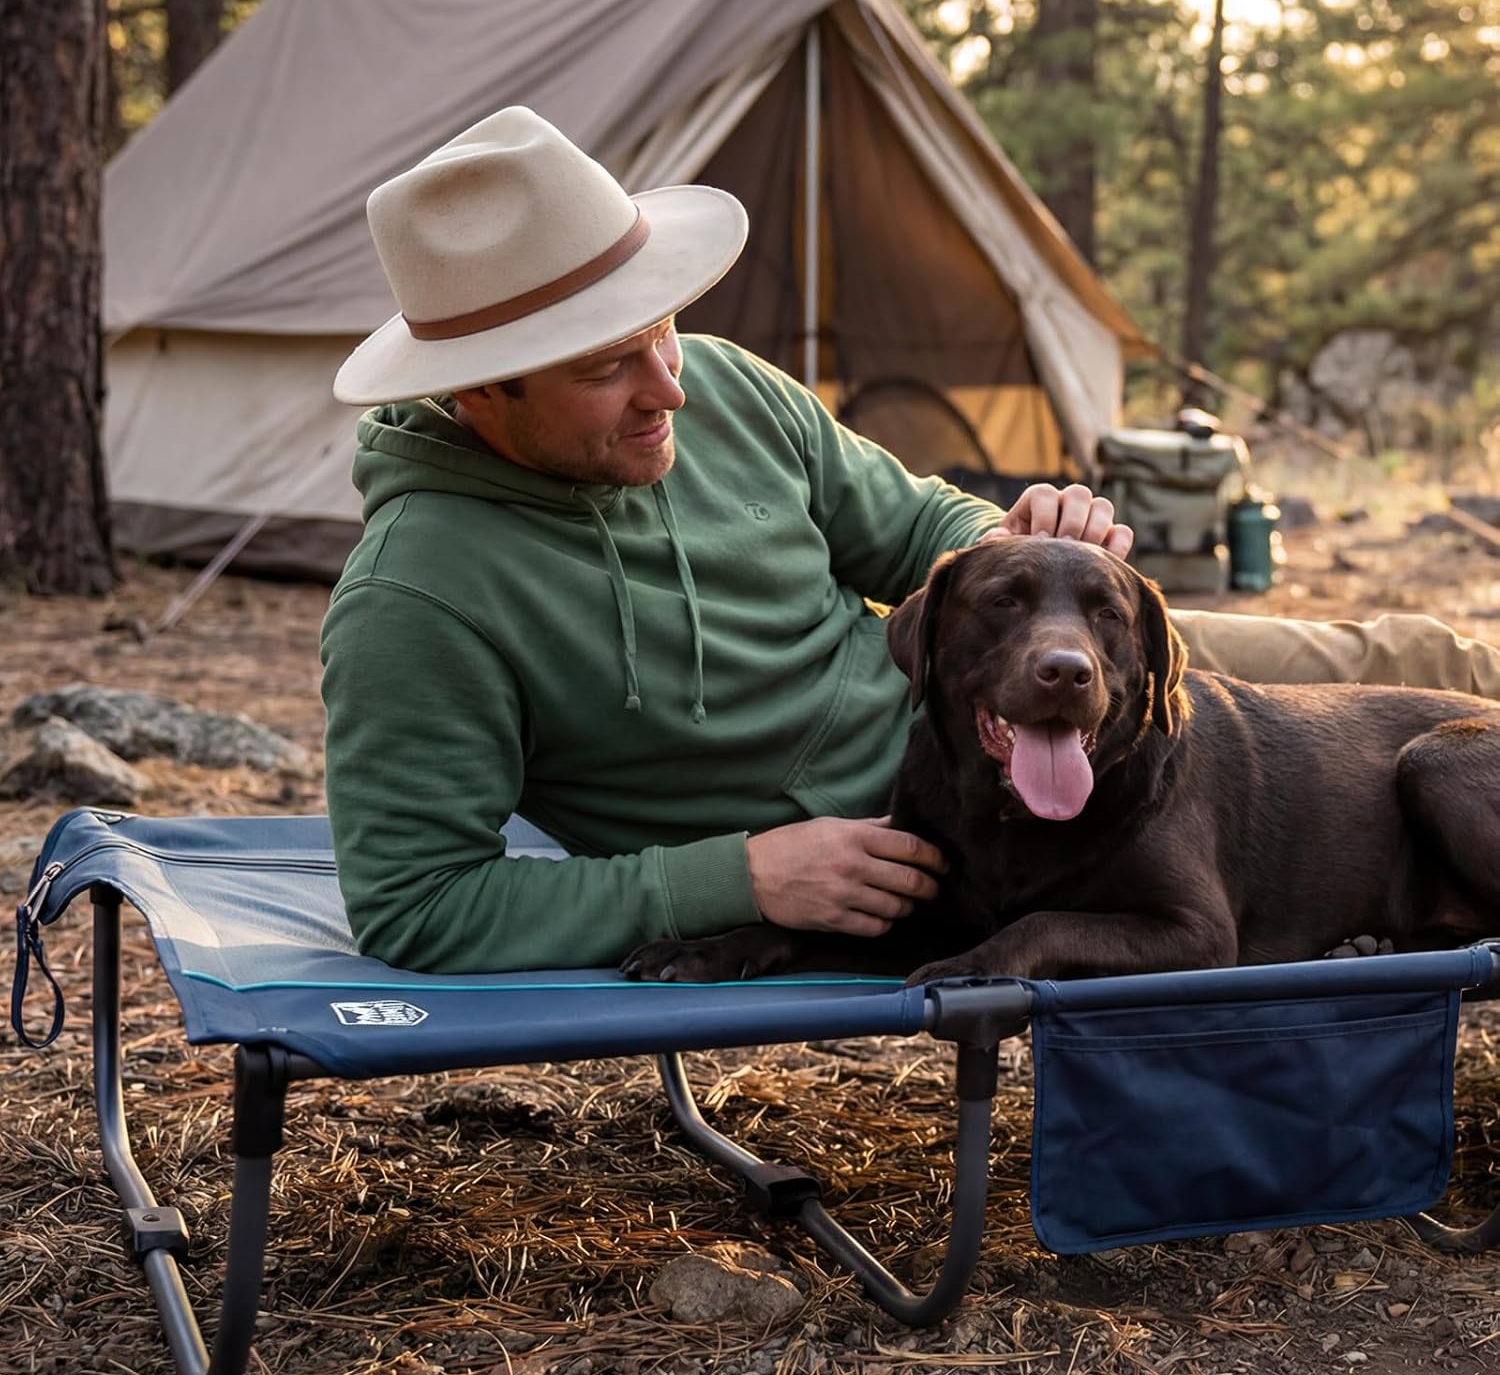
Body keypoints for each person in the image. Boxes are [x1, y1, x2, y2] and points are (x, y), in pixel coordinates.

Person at [321, 107, 1500, 975]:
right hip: (925, 839)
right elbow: (419, 905)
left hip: (999, 695)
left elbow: (918, 529)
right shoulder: (419, 600)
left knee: (1416, 663)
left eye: (663, 330)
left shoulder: (728, 389)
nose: (670, 389)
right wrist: (734, 877)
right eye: (602, 367)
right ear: (479, 394)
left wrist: (1021, 545)